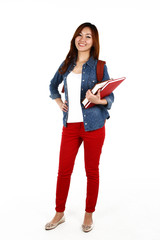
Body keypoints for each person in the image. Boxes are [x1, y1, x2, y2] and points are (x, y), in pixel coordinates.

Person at [45, 22, 114, 232]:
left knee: (91, 172)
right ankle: (59, 213)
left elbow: (110, 95)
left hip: (94, 126)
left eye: (88, 36)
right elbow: (52, 85)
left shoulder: (100, 66)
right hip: (70, 128)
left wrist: (97, 99)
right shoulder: (66, 64)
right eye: (80, 35)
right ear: (75, 38)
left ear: (94, 42)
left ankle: (88, 213)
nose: (82, 39)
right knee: (63, 171)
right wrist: (59, 103)